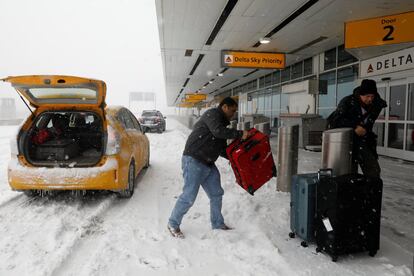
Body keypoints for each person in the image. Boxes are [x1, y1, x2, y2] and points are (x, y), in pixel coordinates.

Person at [167, 97, 250, 238]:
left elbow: (222, 149)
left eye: (235, 111)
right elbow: (217, 131)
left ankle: (217, 223)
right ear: (224, 107)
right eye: (232, 110)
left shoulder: (222, 124)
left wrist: (236, 158)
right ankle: (173, 224)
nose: (233, 114)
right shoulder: (212, 115)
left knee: (216, 193)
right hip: (193, 160)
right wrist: (240, 134)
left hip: (208, 163)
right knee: (189, 196)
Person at [327, 79, 387, 178]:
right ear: (360, 94)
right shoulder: (348, 102)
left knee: (373, 171)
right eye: (367, 96)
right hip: (346, 141)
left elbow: (369, 123)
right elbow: (335, 121)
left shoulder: (376, 104)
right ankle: (352, 191)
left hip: (364, 141)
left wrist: (365, 132)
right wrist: (354, 126)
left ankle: (371, 191)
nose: (370, 99)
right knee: (349, 173)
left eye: (372, 96)